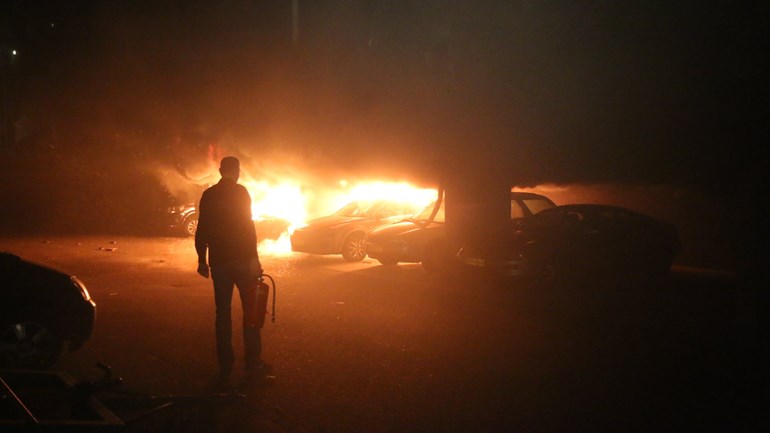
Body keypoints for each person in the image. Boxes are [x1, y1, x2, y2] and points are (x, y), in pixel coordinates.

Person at [195, 156, 265, 379]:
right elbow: (248, 226)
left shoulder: (209, 195)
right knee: (250, 312)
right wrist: (254, 259)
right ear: (237, 172)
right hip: (243, 261)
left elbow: (202, 230)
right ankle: (252, 363)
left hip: (220, 263)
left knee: (222, 313)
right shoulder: (241, 193)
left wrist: (202, 260)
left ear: (219, 171)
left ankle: (226, 364)